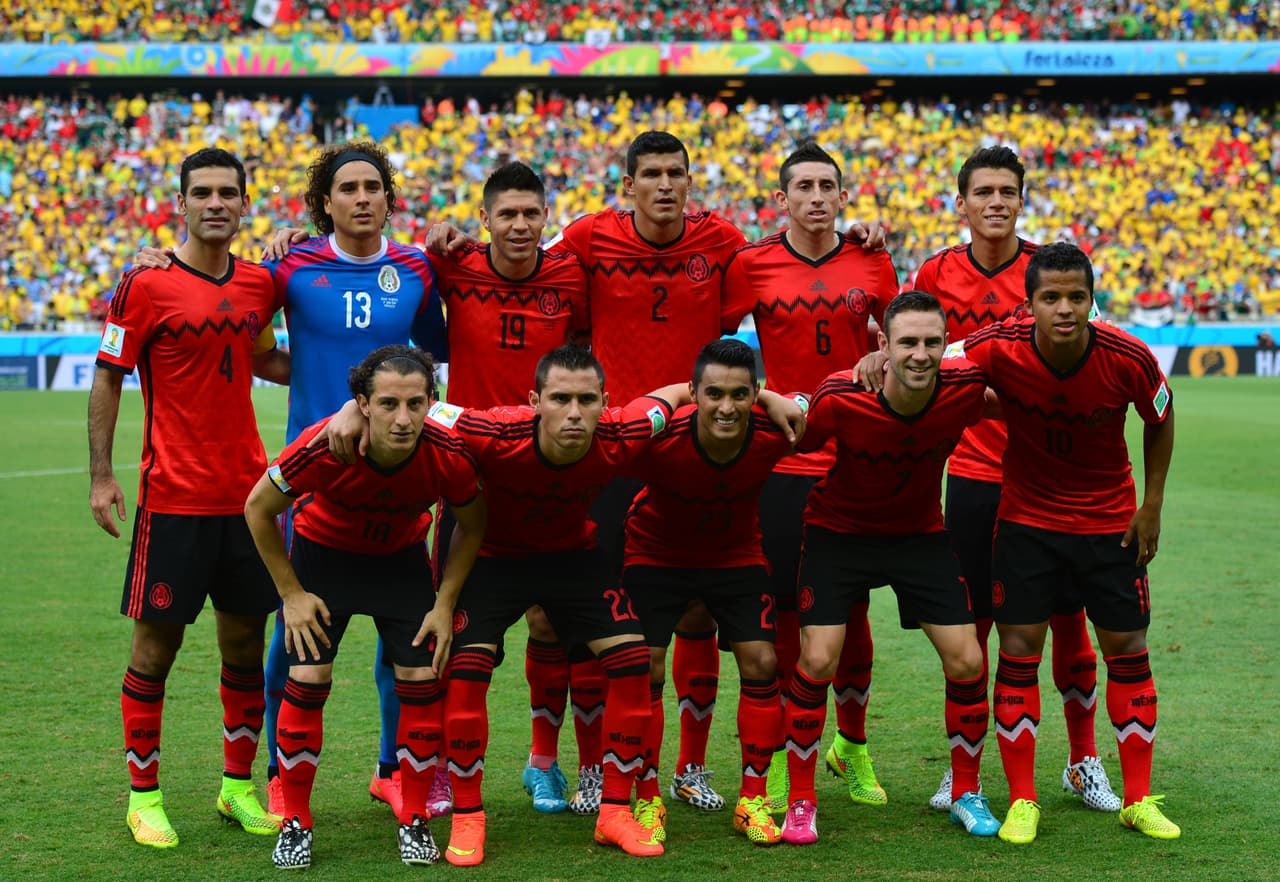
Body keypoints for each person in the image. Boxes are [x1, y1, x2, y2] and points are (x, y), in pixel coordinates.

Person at [136, 139, 450, 819]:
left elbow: (433, 357)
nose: (362, 198)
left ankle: (391, 768)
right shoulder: (291, 266)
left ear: (389, 198)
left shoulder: (418, 268)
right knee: (292, 628)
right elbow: (246, 331)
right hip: (309, 481)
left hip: (401, 478)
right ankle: (281, 773)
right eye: (348, 189)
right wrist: (157, 260)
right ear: (323, 203)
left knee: (404, 632)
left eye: (374, 187)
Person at [910, 146, 1118, 813]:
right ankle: (961, 770)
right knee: (971, 632)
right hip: (972, 474)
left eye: (1008, 191)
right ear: (961, 202)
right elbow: (914, 356)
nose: (996, 202)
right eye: (983, 191)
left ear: (1022, 200)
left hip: (1050, 478)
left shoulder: (1051, 273)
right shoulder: (936, 273)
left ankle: (1082, 761)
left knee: (1067, 622)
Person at [88, 147, 285, 849]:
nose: (215, 203)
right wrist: (102, 475)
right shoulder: (143, 285)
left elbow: (266, 355)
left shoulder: (262, 282)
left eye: (228, 192)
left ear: (243, 203)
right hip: (173, 501)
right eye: (201, 192)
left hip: (250, 502)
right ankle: (144, 798)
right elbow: (108, 375)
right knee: (154, 651)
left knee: (243, 644)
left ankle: (237, 789)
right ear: (180, 203)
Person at [950, 243, 1178, 844]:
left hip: (1110, 527)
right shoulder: (999, 344)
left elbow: (1160, 415)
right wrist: (875, 362)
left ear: (1091, 299)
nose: (1065, 308)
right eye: (1050, 297)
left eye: (1077, 296)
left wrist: (1151, 504)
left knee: (1128, 651)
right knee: (1019, 653)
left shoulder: (1127, 354)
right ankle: (1023, 800)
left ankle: (1136, 799)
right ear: (1029, 304)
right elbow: (931, 362)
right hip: (1027, 525)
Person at [243, 345, 485, 869]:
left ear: (431, 402)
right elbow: (258, 508)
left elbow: (474, 522)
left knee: (422, 681)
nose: (403, 419)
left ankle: (415, 818)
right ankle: (296, 823)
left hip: (399, 563)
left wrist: (445, 602)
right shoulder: (326, 445)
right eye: (389, 404)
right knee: (306, 682)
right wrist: (291, 594)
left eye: (416, 404)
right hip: (323, 561)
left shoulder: (446, 452)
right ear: (363, 404)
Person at [778, 291, 1000, 844]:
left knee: (968, 658)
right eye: (907, 342)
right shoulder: (843, 396)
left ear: (946, 345)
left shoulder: (965, 390)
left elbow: (1019, 400)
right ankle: (801, 799)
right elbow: (787, 440)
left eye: (931, 342)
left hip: (917, 536)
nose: (920, 354)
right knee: (819, 657)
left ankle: (966, 791)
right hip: (838, 535)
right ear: (884, 344)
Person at [720, 140, 899, 812]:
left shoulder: (873, 256)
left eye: (829, 185)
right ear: (782, 198)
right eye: (806, 186)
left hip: (858, 456)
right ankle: (783, 761)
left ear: (842, 194)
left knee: (853, 611)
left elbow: (901, 338)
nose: (819, 197)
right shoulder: (753, 263)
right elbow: (714, 346)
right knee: (790, 613)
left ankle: (850, 745)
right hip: (785, 460)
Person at [621, 339, 796, 847]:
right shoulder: (661, 435)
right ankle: (648, 798)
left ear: (756, 393)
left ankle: (752, 800)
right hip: (655, 554)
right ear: (693, 393)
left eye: (741, 394)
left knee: (763, 662)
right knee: (646, 666)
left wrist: (781, 401)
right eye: (713, 393)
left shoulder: (773, 433)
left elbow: (818, 408)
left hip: (735, 555)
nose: (726, 406)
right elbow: (628, 418)